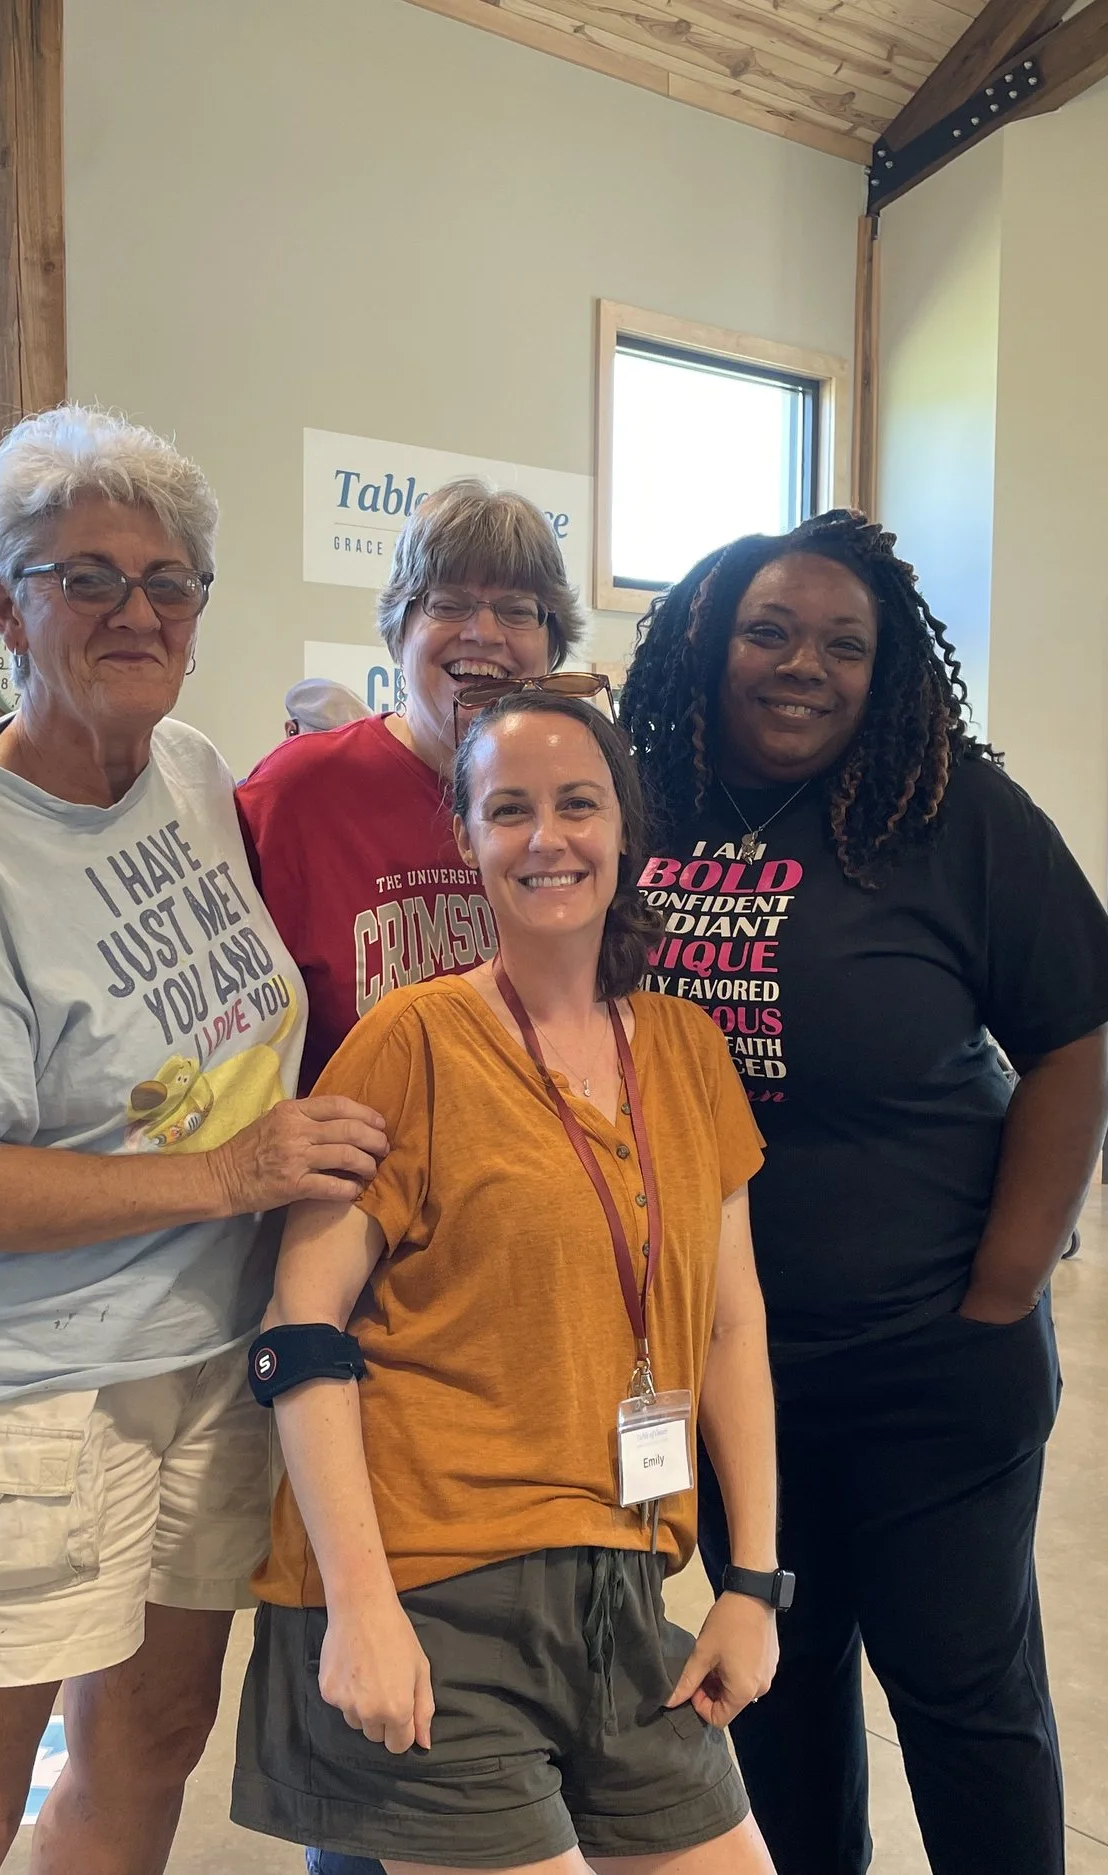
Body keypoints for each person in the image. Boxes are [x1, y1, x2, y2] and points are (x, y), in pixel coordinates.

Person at [0, 404, 390, 1875]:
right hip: (5, 1400)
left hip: (202, 1359)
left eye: (167, 582)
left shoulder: (189, 772)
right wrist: (230, 1173)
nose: (135, 612)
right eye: (85, 577)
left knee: (147, 1747)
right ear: (3, 604)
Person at [618, 511, 1108, 1875]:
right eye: (770, 632)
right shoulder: (648, 799)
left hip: (927, 1360)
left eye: (844, 644)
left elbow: (1073, 1042)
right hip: (728, 1369)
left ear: (887, 666)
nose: (804, 665)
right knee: (773, 1688)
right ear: (709, 645)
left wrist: (1003, 1289)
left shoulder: (953, 812)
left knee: (962, 1699)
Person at [230, 691, 789, 1874]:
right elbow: (301, 1329)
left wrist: (751, 1583)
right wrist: (360, 1608)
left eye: (577, 804)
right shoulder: (411, 1039)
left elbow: (731, 1328)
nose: (547, 839)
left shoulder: (689, 1052)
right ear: (467, 839)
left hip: (623, 1591)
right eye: (509, 811)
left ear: (624, 827)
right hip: (430, 1590)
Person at [238, 478, 593, 1086]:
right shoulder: (298, 794)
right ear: (399, 629)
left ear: (551, 646)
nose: (484, 633)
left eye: (517, 609)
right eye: (449, 604)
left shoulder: (582, 807)